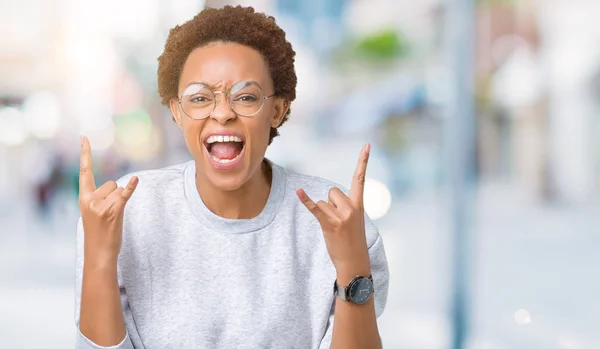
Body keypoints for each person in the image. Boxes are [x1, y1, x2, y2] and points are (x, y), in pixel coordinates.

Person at [75, 5, 389, 349]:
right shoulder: (124, 212)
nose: (223, 113)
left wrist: (352, 263)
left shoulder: (339, 220)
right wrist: (100, 256)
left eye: (246, 97)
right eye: (199, 98)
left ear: (278, 110)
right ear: (177, 112)